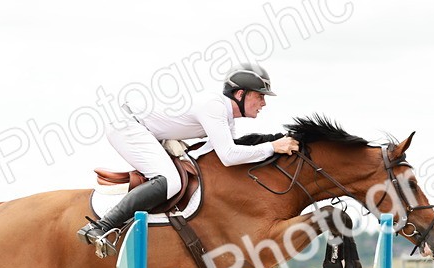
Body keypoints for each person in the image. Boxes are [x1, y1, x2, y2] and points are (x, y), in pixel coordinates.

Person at [77, 62, 300, 255]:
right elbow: (229, 156)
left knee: (175, 177)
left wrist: (275, 139)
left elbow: (224, 152)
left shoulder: (225, 117)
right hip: (127, 125)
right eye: (260, 95)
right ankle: (101, 226)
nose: (264, 103)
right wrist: (273, 146)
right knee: (170, 180)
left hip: (143, 127)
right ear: (240, 94)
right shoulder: (214, 107)